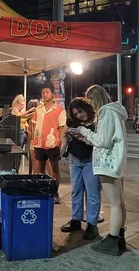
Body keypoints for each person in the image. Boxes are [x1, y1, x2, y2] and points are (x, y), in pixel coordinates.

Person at [69, 85, 127, 256]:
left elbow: (103, 140)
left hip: (107, 163)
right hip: (114, 161)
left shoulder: (106, 112)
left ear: (96, 99)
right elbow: (106, 139)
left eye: (91, 101)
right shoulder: (115, 111)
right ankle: (119, 236)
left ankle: (112, 239)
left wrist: (84, 131)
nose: (91, 106)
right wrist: (87, 138)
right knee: (119, 202)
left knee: (115, 204)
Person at [60, 97, 101, 240]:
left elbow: (100, 140)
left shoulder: (97, 122)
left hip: (91, 161)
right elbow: (64, 133)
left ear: (87, 108)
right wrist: (63, 149)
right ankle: (76, 220)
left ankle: (92, 224)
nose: (79, 116)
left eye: (81, 112)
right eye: (76, 114)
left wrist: (85, 138)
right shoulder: (72, 121)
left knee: (92, 193)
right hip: (75, 160)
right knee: (76, 191)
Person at [32, 82, 66, 204]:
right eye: (43, 93)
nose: (45, 95)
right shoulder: (38, 109)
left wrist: (61, 141)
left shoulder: (59, 110)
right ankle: (41, 190)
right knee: (39, 168)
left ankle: (54, 191)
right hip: (39, 143)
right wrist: (33, 139)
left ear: (52, 93)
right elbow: (34, 124)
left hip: (53, 143)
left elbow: (62, 127)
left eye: (47, 92)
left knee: (54, 168)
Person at [26, 99, 40, 173]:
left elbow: (33, 134)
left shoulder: (33, 118)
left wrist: (27, 129)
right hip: (36, 142)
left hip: (35, 142)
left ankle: (36, 178)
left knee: (35, 162)